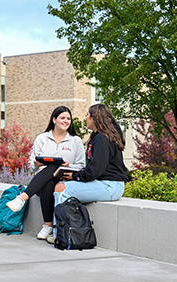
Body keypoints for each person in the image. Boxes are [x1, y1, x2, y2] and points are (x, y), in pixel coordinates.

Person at [49, 103, 128, 243]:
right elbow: (95, 168)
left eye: (87, 115)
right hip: (106, 184)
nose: (85, 118)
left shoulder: (102, 139)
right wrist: (75, 174)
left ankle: (59, 234)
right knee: (63, 186)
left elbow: (96, 170)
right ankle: (72, 229)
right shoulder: (100, 137)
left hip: (110, 186)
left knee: (62, 189)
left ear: (95, 118)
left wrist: (75, 176)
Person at [6, 106, 85, 240]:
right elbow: (31, 166)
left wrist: (68, 166)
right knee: (48, 180)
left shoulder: (76, 141)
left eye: (68, 118)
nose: (66, 121)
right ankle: (48, 225)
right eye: (62, 118)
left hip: (65, 179)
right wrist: (36, 164)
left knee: (55, 166)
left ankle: (22, 199)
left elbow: (82, 165)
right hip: (41, 183)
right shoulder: (42, 138)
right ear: (54, 119)